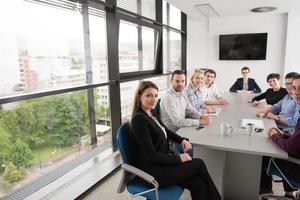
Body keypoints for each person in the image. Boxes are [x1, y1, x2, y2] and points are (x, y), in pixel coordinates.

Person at [130, 81, 222, 200]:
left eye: (156, 95)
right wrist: (179, 158)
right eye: (149, 95)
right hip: (153, 172)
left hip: (162, 163)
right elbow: (150, 155)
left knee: (198, 184)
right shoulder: (139, 120)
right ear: (139, 96)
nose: (153, 99)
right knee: (199, 163)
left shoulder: (150, 112)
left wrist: (182, 140)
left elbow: (165, 131)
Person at [260, 74, 300, 199]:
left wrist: (274, 136)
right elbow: (296, 140)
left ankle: (264, 191)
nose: (295, 91)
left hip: (296, 166)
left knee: (263, 154)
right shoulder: (288, 97)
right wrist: (282, 135)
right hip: (290, 136)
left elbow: (291, 147)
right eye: (294, 86)